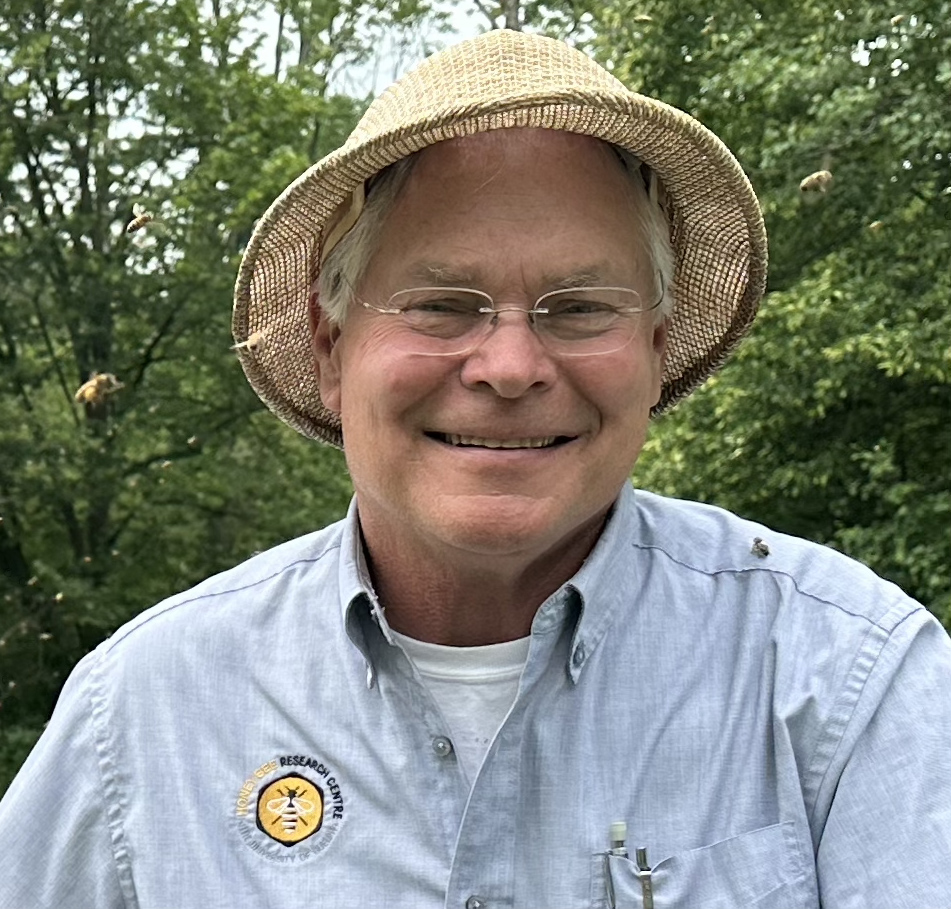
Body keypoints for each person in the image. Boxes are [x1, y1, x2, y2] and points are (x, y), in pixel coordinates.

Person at [1, 29, 949, 909]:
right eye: (441, 304)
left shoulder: (844, 684)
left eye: (579, 307)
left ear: (656, 348)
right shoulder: (139, 716)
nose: (507, 366)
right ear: (330, 347)